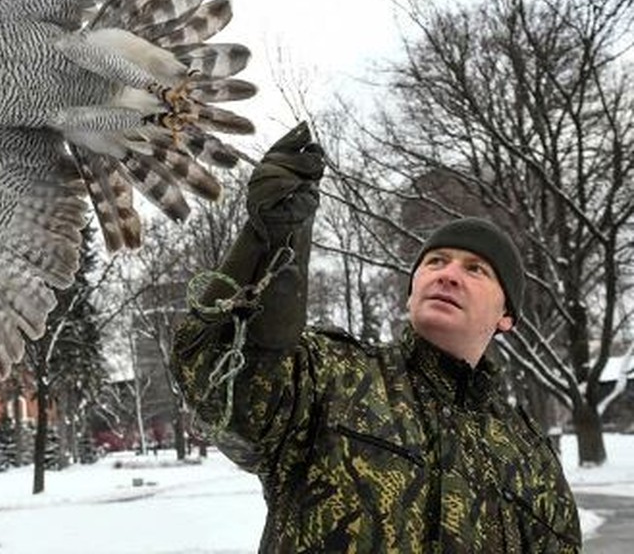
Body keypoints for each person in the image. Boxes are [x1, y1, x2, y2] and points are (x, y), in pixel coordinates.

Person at [172, 123, 582, 552]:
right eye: (436, 261)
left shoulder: (529, 457)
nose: (448, 275)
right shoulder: (333, 376)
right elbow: (223, 385)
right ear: (411, 291)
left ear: (506, 317)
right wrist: (271, 241)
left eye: (475, 269)